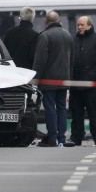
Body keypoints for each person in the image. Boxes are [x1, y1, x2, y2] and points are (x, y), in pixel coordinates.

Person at [32, 11, 74, 147]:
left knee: (50, 108)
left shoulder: (45, 36)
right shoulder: (68, 35)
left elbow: (40, 60)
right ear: (59, 20)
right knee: (62, 108)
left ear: (46, 22)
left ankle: (52, 138)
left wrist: (35, 78)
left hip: (48, 80)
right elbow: (72, 59)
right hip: (64, 79)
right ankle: (62, 138)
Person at [68, 16, 96, 146]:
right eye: (78, 25)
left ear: (89, 25)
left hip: (92, 84)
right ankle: (76, 137)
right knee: (76, 114)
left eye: (82, 25)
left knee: (94, 113)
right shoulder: (74, 40)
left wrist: (94, 72)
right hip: (76, 83)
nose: (79, 27)